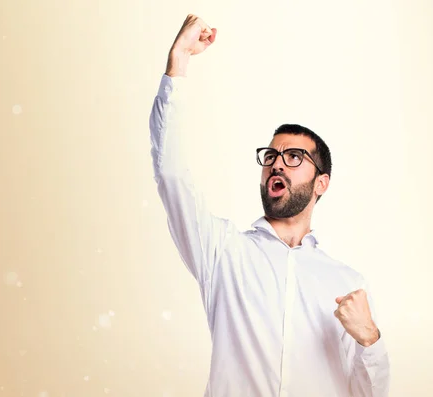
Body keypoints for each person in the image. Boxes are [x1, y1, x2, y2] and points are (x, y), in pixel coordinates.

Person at [149, 14, 390, 397]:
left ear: (321, 183)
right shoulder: (223, 252)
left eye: (295, 157)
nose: (277, 162)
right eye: (272, 155)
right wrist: (178, 63)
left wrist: (370, 339)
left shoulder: (346, 284)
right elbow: (171, 175)